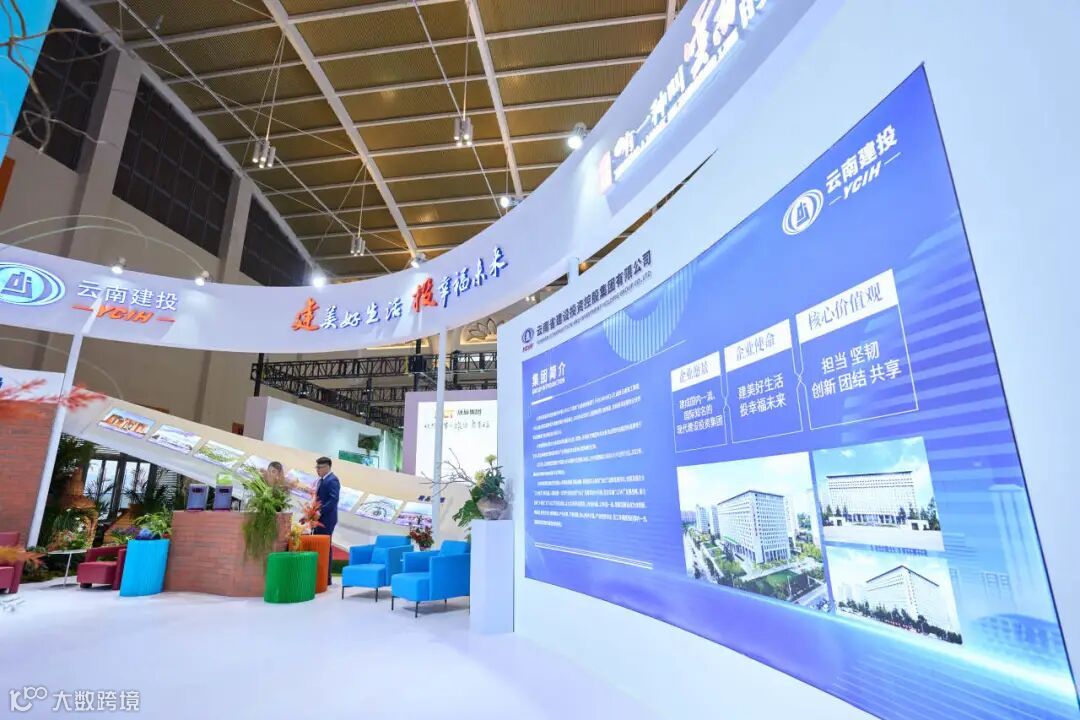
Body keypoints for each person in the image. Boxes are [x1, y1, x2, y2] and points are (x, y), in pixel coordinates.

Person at [314, 456, 339, 586]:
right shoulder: (321, 480)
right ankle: (321, 576)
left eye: (319, 467)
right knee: (320, 546)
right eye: (316, 467)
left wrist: (320, 511)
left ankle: (326, 578)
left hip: (327, 519)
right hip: (319, 518)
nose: (317, 470)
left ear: (327, 467)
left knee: (324, 547)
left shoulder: (333, 480)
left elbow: (333, 500)